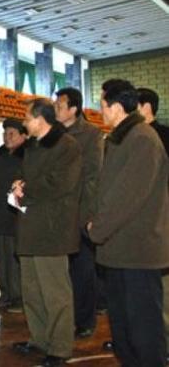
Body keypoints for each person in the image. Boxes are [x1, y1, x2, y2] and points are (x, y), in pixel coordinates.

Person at [89, 79, 169, 367]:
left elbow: (126, 197)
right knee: (123, 331)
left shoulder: (142, 139)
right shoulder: (120, 139)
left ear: (117, 107)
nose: (101, 112)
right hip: (119, 251)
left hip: (139, 253)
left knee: (145, 332)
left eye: (103, 106)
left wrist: (96, 229)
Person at [12, 98, 82, 367]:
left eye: (27, 117)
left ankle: (60, 347)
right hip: (30, 228)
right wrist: (18, 183)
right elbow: (26, 176)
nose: (24, 122)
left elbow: (60, 183)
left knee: (55, 293)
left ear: (40, 119)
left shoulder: (67, 146)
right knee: (32, 290)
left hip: (52, 230)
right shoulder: (32, 147)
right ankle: (40, 339)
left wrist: (25, 189)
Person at [54, 87, 104, 339]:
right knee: (60, 272)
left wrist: (86, 215)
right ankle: (63, 319)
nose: (55, 109)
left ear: (73, 108)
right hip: (56, 214)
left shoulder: (91, 134)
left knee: (82, 271)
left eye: (60, 105)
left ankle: (84, 320)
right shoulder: (53, 134)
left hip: (79, 213)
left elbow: (93, 177)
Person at [137, 87, 169, 363]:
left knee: (162, 288)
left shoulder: (161, 137)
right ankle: (141, 339)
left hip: (160, 221)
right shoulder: (132, 137)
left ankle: (163, 343)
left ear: (146, 106)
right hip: (138, 226)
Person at [0, 118, 26, 313]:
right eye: (5, 133)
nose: (7, 137)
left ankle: (19, 296)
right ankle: (6, 293)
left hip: (17, 215)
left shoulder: (27, 155)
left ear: (23, 136)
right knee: (1, 257)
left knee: (15, 256)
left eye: (12, 133)